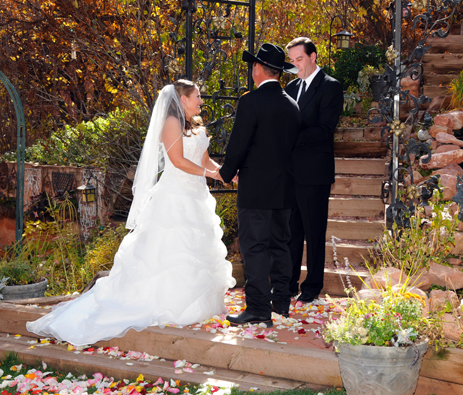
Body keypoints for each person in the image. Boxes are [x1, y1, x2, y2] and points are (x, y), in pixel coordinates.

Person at [26, 80, 236, 346]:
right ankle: (168, 303)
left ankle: (197, 304)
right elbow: (178, 162)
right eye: (197, 97)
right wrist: (211, 175)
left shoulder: (197, 126)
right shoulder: (171, 123)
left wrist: (224, 173)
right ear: (183, 99)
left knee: (196, 250)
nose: (201, 101)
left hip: (196, 196)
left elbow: (204, 160)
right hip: (174, 197)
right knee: (171, 251)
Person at [219, 43, 301, 326]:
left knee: (254, 247)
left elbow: (238, 144)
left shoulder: (250, 102)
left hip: (255, 189)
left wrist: (227, 172)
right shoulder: (292, 105)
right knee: (280, 245)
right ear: (279, 73)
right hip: (284, 190)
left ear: (257, 69)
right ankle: (280, 303)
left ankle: (257, 308)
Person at [284, 37, 344, 303]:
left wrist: (290, 135)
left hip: (315, 172)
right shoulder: (290, 86)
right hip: (290, 172)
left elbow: (325, 130)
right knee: (291, 232)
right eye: (293, 60)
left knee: (314, 232)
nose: (296, 65)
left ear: (313, 57)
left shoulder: (331, 87)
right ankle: (287, 285)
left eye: (300, 59)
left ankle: (311, 288)